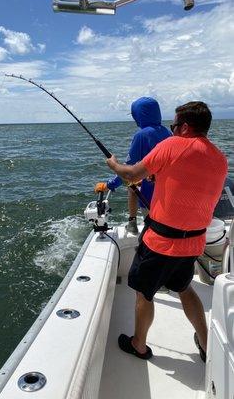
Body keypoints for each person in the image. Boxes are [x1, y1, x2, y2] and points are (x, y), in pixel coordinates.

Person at [106, 101, 228, 361]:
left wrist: (115, 166)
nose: (171, 130)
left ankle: (139, 344)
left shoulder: (171, 145)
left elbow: (131, 174)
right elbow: (190, 184)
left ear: (184, 126)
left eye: (174, 126)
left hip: (160, 242)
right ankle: (207, 346)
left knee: (144, 291)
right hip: (194, 243)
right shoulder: (219, 158)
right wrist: (160, 177)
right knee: (185, 288)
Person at [95, 97, 171, 233]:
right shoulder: (168, 133)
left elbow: (128, 173)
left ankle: (132, 223)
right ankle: (132, 223)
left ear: (139, 115)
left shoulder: (141, 135)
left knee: (153, 233)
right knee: (134, 186)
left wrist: (109, 185)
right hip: (169, 193)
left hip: (151, 196)